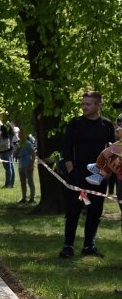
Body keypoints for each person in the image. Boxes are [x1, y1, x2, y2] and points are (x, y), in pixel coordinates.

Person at [59, 91, 115, 259]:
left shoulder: (106, 125)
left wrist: (107, 172)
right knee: (74, 210)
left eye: (88, 104)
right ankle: (68, 245)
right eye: (83, 104)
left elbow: (111, 150)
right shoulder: (75, 123)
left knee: (95, 210)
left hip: (98, 176)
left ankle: (89, 245)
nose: (84, 107)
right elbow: (66, 148)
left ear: (98, 105)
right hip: (78, 175)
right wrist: (71, 170)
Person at [14, 131, 36, 203]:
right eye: (19, 133)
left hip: (27, 164)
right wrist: (17, 150)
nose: (20, 135)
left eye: (21, 133)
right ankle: (24, 197)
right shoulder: (18, 144)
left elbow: (33, 154)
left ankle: (32, 197)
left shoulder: (28, 143)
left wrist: (32, 165)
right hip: (21, 165)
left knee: (30, 182)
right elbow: (15, 155)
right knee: (23, 182)